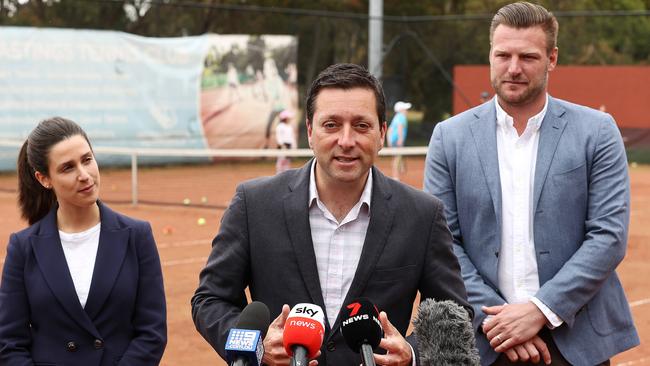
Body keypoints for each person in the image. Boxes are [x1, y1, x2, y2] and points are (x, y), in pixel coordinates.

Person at [192, 63, 470, 366]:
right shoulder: (254, 203)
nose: (346, 140)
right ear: (310, 131)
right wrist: (256, 346)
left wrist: (413, 354)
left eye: (362, 126)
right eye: (331, 125)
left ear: (382, 133)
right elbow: (210, 300)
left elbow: (454, 313)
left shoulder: (423, 215)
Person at [423, 2, 639, 365]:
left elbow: (608, 236)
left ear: (552, 58)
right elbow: (444, 243)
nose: (513, 68)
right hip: (483, 339)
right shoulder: (449, 137)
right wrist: (501, 323)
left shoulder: (598, 132)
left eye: (528, 56)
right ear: (490, 55)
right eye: (502, 54)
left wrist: (539, 310)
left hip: (574, 341)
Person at [0, 117, 167, 365]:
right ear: (44, 179)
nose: (84, 175)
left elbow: (152, 333)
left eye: (87, 160)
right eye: (68, 167)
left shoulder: (137, 235)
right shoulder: (23, 247)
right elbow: (9, 343)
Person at [387, 101, 411, 180]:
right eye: (405, 109)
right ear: (401, 110)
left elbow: (389, 129)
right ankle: (395, 177)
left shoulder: (396, 117)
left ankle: (400, 169)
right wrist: (400, 139)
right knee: (397, 158)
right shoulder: (401, 117)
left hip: (393, 140)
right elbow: (400, 127)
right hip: (397, 141)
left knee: (396, 158)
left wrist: (389, 141)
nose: (407, 111)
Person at [275, 109, 296, 174]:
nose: (290, 119)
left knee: (287, 161)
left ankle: (286, 174)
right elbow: (279, 137)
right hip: (282, 145)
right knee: (281, 161)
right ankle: (279, 174)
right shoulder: (280, 126)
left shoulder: (289, 127)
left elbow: (291, 137)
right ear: (285, 118)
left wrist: (293, 145)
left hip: (289, 145)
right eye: (288, 118)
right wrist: (282, 145)